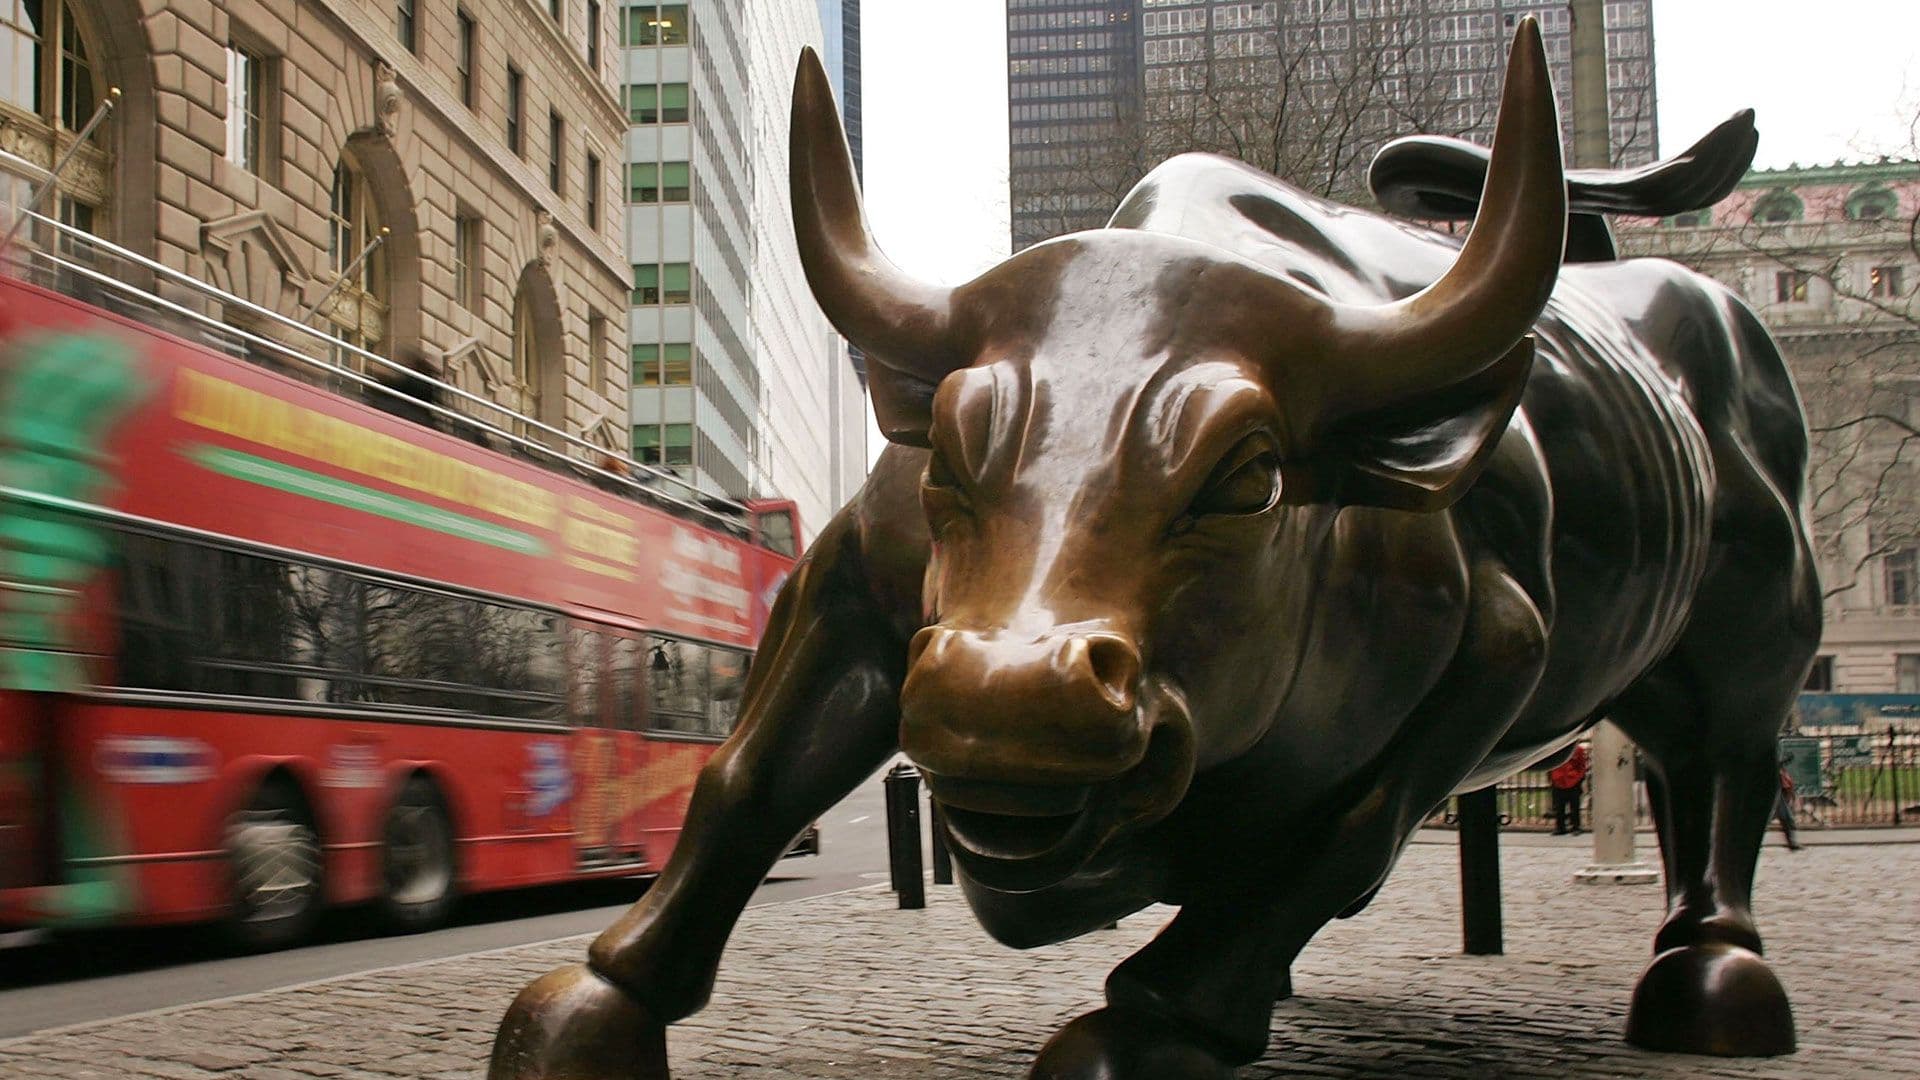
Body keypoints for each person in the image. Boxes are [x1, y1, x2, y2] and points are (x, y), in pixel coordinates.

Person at [1549, 742, 1589, 835]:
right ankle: (1560, 827)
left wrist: (1579, 778)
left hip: (1572, 780)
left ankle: (1576, 827)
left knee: (1574, 806)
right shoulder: (1555, 748)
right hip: (1559, 780)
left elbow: (1581, 765)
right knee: (1559, 806)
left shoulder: (1578, 749)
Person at [1775, 765, 1803, 851]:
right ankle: (1791, 842)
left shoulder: (1780, 770)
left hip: (1779, 795)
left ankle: (1792, 842)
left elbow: (1787, 785)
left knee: (1787, 818)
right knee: (1786, 817)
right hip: (1776, 795)